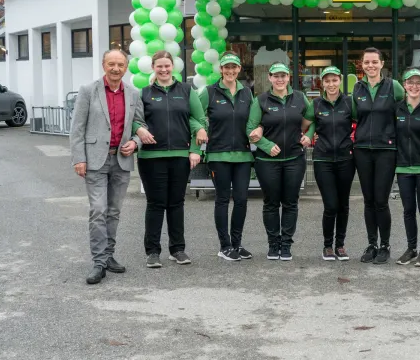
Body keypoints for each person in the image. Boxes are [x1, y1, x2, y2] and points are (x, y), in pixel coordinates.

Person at [70, 50, 143, 285]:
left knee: (114, 211)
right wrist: (78, 158)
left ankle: (109, 255)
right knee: (98, 210)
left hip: (121, 160)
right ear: (103, 65)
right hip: (94, 160)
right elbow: (77, 128)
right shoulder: (88, 91)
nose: (115, 68)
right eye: (111, 64)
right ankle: (99, 262)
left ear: (126, 67)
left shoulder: (133, 93)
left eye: (120, 64)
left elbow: (139, 124)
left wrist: (136, 142)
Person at [134, 51, 204, 269]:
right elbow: (134, 119)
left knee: (176, 203)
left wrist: (195, 150)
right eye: (159, 66)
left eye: (167, 66)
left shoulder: (185, 90)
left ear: (174, 67)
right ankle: (153, 251)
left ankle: (178, 249)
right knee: (155, 204)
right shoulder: (143, 93)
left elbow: (198, 118)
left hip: (180, 156)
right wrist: (139, 129)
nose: (164, 70)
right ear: (153, 67)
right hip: (151, 157)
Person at [247, 63, 314, 261]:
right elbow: (250, 129)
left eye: (283, 75)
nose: (280, 79)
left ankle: (286, 244)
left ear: (288, 77)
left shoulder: (300, 98)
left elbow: (312, 120)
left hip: (294, 158)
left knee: (290, 202)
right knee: (271, 203)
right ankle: (273, 243)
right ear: (269, 78)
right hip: (267, 160)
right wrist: (267, 145)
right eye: (276, 76)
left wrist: (309, 135)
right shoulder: (261, 100)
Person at [197, 52, 255, 261]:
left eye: (234, 67)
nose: (230, 71)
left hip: (242, 155)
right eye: (226, 67)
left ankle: (237, 245)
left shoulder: (247, 93)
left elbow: (254, 120)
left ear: (239, 69)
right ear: (220, 69)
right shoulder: (209, 92)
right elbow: (197, 115)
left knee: (241, 200)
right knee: (222, 199)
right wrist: (202, 130)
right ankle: (224, 246)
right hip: (218, 155)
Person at [352, 48, 406, 264]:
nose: (371, 66)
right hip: (363, 150)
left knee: (381, 200)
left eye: (375, 62)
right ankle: (371, 244)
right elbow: (355, 117)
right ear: (362, 65)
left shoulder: (394, 87)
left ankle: (385, 245)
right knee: (368, 200)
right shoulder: (357, 88)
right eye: (367, 62)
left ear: (382, 64)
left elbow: (407, 108)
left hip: (386, 150)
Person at [393, 69, 420, 267]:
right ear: (404, 84)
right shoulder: (397, 109)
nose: (414, 86)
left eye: (418, 83)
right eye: (410, 82)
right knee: (408, 210)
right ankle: (411, 249)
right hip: (403, 167)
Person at [311, 66, 355, 261]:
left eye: (334, 80)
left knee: (343, 205)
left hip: (346, 159)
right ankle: (328, 245)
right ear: (322, 83)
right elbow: (306, 124)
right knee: (331, 205)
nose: (331, 84)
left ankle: (340, 245)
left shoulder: (349, 102)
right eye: (327, 81)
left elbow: (363, 121)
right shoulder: (316, 104)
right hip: (323, 159)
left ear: (340, 80)